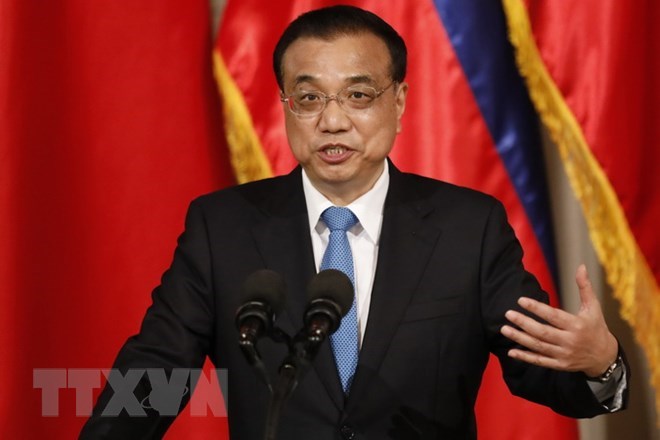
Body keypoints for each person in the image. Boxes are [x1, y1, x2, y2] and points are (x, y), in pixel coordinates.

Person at [81, 5, 628, 439]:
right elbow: (157, 374)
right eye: (309, 98)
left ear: (399, 102)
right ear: (285, 105)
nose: (333, 120)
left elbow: (541, 370)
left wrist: (601, 364)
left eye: (358, 95)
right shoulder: (222, 228)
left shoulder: (469, 228)